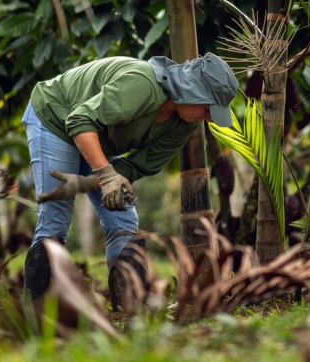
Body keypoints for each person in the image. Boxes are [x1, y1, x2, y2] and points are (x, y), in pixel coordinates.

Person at [21, 53, 238, 307]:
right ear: (193, 91)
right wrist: (105, 174)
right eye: (208, 108)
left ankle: (129, 307)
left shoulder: (185, 124)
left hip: (95, 136)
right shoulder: (142, 85)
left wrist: (97, 181)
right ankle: (37, 310)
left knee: (123, 218)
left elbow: (133, 166)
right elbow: (79, 120)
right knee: (55, 219)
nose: (209, 117)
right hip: (55, 118)